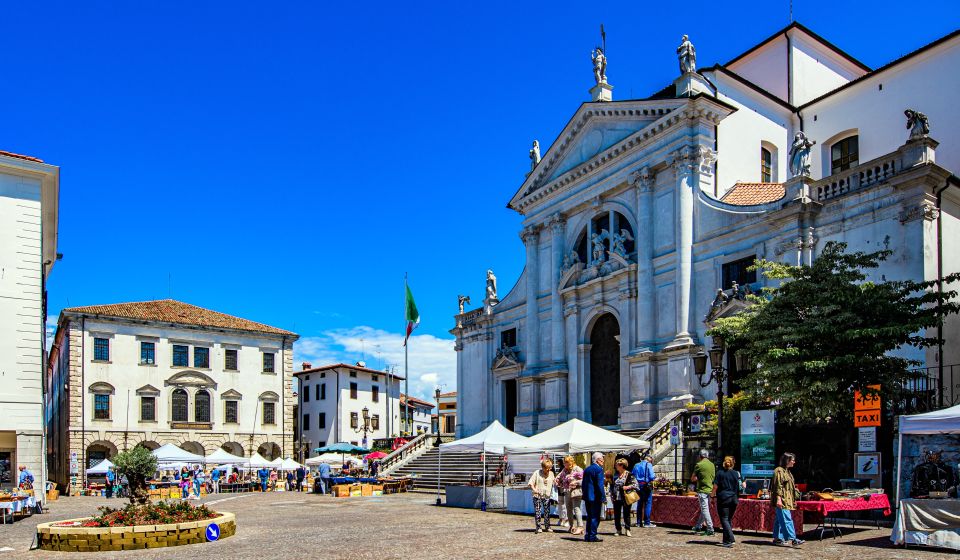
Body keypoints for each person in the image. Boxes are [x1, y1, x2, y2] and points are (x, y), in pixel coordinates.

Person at [771, 452, 803, 547]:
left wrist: (794, 499)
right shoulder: (779, 471)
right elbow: (777, 486)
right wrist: (778, 499)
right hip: (782, 500)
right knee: (786, 519)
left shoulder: (787, 471)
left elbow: (790, 488)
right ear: (787, 460)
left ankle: (777, 538)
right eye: (792, 460)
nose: (794, 462)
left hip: (787, 499)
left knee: (779, 519)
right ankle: (793, 539)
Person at [716, 456, 744, 548]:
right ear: (733, 463)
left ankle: (731, 537)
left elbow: (715, 486)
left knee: (724, 519)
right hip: (734, 498)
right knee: (728, 520)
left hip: (723, 498)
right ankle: (726, 540)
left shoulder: (720, 473)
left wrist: (712, 496)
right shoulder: (737, 473)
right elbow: (742, 486)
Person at [556, 455, 584, 535]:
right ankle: (572, 526)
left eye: (567, 462)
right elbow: (559, 477)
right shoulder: (564, 470)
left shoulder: (577, 469)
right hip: (567, 491)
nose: (565, 464)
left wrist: (576, 482)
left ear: (571, 462)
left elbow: (584, 479)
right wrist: (558, 480)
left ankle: (580, 526)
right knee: (568, 509)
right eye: (565, 463)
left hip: (576, 491)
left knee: (576, 508)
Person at [691, 449, 716, 536]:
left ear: (700, 456)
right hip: (710, 489)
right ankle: (698, 526)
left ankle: (710, 528)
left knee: (705, 509)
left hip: (702, 489)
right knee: (704, 509)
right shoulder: (712, 465)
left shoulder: (699, 465)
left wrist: (699, 478)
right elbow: (713, 478)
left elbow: (693, 478)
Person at [582, 452, 606, 543]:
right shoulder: (599, 469)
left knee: (589, 516)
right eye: (602, 459)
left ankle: (588, 535)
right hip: (595, 497)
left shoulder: (587, 469)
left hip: (588, 496)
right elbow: (600, 485)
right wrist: (603, 497)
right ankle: (592, 535)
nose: (603, 461)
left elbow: (584, 483)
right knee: (595, 517)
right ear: (598, 460)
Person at [610, 458, 637, 537]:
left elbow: (636, 485)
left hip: (626, 497)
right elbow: (612, 486)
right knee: (617, 514)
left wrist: (627, 487)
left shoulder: (629, 475)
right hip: (616, 497)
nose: (615, 466)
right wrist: (611, 494)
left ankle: (627, 529)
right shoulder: (615, 475)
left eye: (617, 464)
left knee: (626, 513)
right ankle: (618, 529)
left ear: (622, 465)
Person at [528, 458, 556, 534]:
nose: (549, 469)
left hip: (547, 496)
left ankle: (547, 526)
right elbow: (530, 483)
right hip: (537, 495)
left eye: (550, 468)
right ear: (543, 467)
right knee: (538, 512)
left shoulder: (551, 473)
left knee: (547, 512)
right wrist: (534, 489)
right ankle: (538, 527)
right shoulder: (537, 473)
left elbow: (555, 482)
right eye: (547, 468)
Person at [632, 456, 656, 528]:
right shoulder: (648, 465)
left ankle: (638, 522)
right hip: (646, 486)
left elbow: (633, 475)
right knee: (647, 503)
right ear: (649, 460)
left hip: (638, 486)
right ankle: (647, 522)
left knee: (639, 504)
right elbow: (652, 476)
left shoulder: (636, 465)